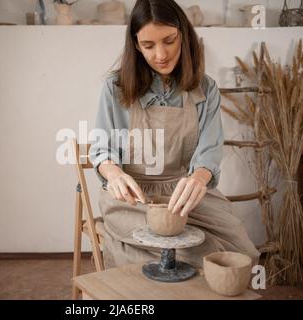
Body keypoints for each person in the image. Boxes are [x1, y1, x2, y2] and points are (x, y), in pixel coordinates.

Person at [90, 0, 260, 269]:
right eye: (148, 45)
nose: (161, 54)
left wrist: (198, 179)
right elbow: (102, 147)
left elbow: (209, 149)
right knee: (183, 254)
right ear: (135, 45)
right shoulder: (115, 87)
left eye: (169, 40)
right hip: (133, 198)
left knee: (241, 255)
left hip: (184, 193)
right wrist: (113, 173)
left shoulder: (205, 88)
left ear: (183, 33)